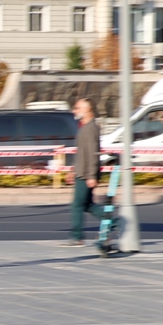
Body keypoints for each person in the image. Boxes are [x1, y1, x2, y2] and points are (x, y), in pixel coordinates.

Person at [61, 98, 107, 247]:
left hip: (86, 174)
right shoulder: (84, 127)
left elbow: (94, 154)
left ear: (87, 109)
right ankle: (115, 223)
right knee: (87, 205)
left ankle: (76, 237)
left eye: (77, 108)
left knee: (77, 205)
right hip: (81, 172)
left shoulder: (91, 128)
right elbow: (81, 153)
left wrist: (92, 176)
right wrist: (73, 171)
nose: (74, 111)